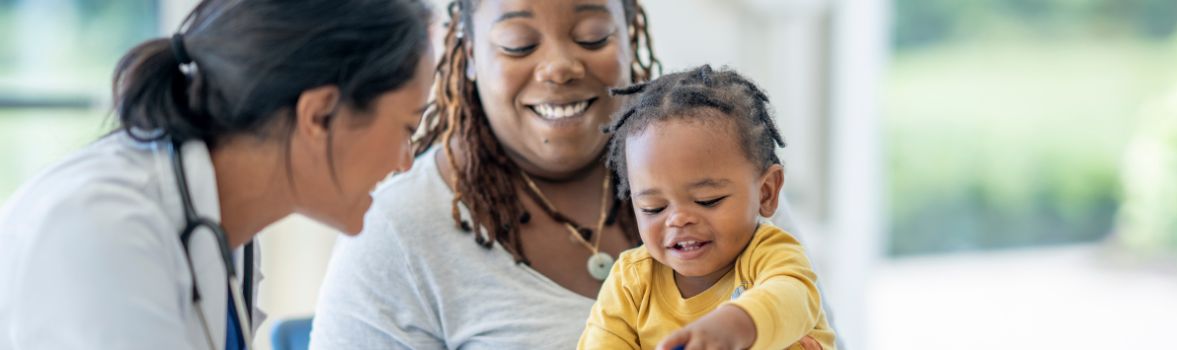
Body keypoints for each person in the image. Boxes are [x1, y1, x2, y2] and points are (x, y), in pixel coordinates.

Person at [310, 0, 838, 349]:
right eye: (519, 43)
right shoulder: (395, 234)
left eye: (591, 37)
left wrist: (741, 326)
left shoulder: (722, 168)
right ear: (468, 54)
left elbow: (801, 307)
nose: (559, 66)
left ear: (630, 35)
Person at [0, 0, 434, 348]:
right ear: (319, 116)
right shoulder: (100, 229)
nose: (405, 162)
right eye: (407, 128)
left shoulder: (227, 232)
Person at [578, 65, 834, 350]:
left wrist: (737, 324)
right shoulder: (631, 283)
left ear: (766, 192)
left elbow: (794, 299)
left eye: (707, 200)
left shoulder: (770, 256)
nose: (678, 220)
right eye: (654, 207)